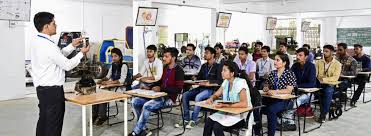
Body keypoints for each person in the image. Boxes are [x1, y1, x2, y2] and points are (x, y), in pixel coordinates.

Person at [31, 12, 90, 136]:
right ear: (46, 26)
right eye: (53, 23)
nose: (56, 25)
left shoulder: (39, 41)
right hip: (53, 92)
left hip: (42, 90)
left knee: (44, 122)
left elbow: (58, 55)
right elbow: (67, 65)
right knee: (53, 126)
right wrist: (81, 53)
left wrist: (73, 45)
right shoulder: (48, 45)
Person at [129, 47, 184, 136]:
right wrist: (149, 87)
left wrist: (161, 89)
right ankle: (142, 129)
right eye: (163, 56)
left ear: (173, 58)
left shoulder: (179, 70)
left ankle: (136, 132)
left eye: (166, 56)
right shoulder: (165, 68)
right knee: (135, 101)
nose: (164, 58)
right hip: (159, 95)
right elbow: (159, 82)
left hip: (170, 98)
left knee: (147, 105)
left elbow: (178, 89)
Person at [175, 47, 222, 129]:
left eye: (207, 53)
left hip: (211, 90)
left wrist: (209, 83)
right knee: (185, 95)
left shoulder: (218, 66)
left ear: (213, 55)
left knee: (198, 97)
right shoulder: (204, 66)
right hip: (201, 87)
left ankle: (193, 119)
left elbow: (219, 81)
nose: (204, 54)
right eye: (205, 53)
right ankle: (186, 118)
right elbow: (199, 77)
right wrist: (195, 79)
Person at [203, 61, 252, 136]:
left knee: (217, 126)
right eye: (222, 70)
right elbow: (217, 94)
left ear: (232, 73)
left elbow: (244, 103)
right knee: (208, 121)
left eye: (224, 70)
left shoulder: (241, 82)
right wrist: (211, 98)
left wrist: (224, 105)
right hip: (228, 111)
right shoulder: (226, 81)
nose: (221, 72)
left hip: (240, 116)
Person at [280, 48, 316, 131]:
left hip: (309, 93)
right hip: (296, 91)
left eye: (300, 55)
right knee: (285, 99)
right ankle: (286, 121)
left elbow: (311, 84)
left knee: (297, 101)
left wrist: (296, 86)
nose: (297, 57)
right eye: (297, 55)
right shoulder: (295, 66)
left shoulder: (311, 66)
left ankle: (290, 123)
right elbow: (289, 78)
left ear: (306, 57)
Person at [261, 52, 296, 136]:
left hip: (286, 100)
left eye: (277, 60)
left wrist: (275, 91)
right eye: (275, 60)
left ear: (284, 63)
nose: (275, 62)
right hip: (272, 98)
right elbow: (267, 84)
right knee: (257, 106)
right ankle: (258, 130)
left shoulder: (289, 73)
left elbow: (289, 90)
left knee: (271, 110)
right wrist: (266, 87)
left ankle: (271, 134)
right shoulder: (272, 73)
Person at [94, 48, 128, 125]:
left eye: (115, 56)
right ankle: (95, 115)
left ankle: (102, 117)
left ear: (120, 57)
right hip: (113, 86)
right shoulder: (113, 65)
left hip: (121, 88)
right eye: (112, 56)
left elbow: (122, 80)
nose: (113, 58)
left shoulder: (124, 66)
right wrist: (101, 80)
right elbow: (108, 76)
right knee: (96, 94)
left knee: (103, 95)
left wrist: (109, 83)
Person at [315, 45, 341, 123]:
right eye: (324, 51)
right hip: (319, 84)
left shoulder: (337, 64)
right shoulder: (318, 62)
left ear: (332, 52)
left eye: (326, 51)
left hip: (330, 84)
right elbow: (315, 74)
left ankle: (323, 114)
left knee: (328, 91)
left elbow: (335, 77)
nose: (324, 53)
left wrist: (323, 79)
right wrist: (318, 79)